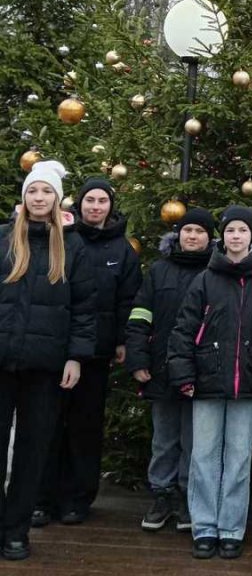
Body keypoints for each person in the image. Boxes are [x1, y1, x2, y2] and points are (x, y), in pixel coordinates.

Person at [168, 205, 252, 560]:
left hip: (248, 387)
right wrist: (184, 374)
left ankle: (231, 528)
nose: (236, 236)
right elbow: (184, 330)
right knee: (204, 456)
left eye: (243, 230)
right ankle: (204, 527)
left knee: (238, 459)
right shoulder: (205, 280)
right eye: (231, 230)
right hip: (205, 384)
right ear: (223, 236)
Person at [0, 161, 95, 560]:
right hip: (2, 361)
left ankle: (16, 531)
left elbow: (85, 309)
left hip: (47, 366)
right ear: (24, 198)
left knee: (32, 451)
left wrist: (75, 356)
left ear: (57, 199)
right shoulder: (4, 239)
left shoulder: (73, 248)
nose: (39, 198)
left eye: (47, 192)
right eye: (33, 192)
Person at [34, 178, 141, 526]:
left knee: (85, 427)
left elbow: (128, 298)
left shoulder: (122, 250)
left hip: (97, 352)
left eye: (102, 201)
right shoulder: (64, 238)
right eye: (89, 200)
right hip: (55, 348)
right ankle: (41, 497)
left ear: (111, 206)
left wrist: (123, 339)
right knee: (47, 424)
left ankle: (77, 499)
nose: (95, 206)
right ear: (78, 204)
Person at [126, 208, 215, 532]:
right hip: (161, 370)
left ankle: (187, 496)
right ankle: (162, 494)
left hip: (201, 373)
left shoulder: (216, 272)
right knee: (164, 438)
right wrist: (138, 360)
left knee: (195, 442)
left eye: (199, 231)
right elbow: (139, 316)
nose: (192, 236)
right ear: (178, 235)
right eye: (187, 230)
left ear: (209, 237)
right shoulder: (159, 271)